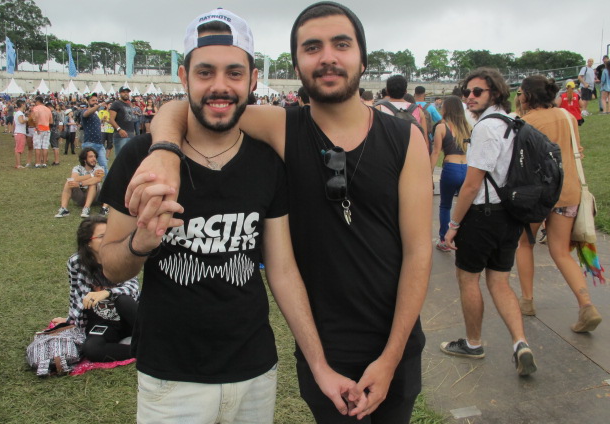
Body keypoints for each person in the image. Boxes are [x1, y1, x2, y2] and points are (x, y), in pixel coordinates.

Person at [124, 2, 432, 422]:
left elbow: (419, 253)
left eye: (341, 44)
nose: (327, 57)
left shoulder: (405, 138)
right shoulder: (282, 126)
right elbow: (189, 107)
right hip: (324, 345)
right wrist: (164, 150)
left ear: (362, 55)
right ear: (297, 63)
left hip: (394, 341)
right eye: (311, 47)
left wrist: (392, 357)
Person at [99, 8, 358, 423]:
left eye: (234, 73)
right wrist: (140, 244)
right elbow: (109, 268)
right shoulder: (140, 158)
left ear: (253, 80)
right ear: (183, 78)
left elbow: (283, 271)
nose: (220, 87)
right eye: (205, 73)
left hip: (255, 370)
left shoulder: (269, 162)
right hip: (170, 377)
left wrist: (320, 364)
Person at [442, 68, 537, 377]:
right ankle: (520, 343)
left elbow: (472, 184)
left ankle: (473, 343)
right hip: (510, 215)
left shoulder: (486, 128)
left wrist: (453, 224)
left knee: (468, 278)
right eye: (466, 91)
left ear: (494, 93)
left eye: (477, 92)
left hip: (483, 216)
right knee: (499, 281)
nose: (469, 96)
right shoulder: (514, 122)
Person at [514, 75, 602, 332]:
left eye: (520, 93)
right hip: (569, 191)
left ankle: (527, 300)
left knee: (524, 243)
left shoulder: (524, 122)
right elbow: (577, 151)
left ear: (528, 96)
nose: (518, 97)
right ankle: (586, 304)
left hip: (537, 194)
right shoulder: (567, 116)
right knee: (561, 252)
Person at [51, 216, 139, 362]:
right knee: (91, 349)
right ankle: (141, 351)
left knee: (122, 300)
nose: (109, 239)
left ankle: (150, 339)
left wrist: (107, 293)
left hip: (130, 317)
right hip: (103, 321)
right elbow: (77, 295)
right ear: (88, 242)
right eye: (102, 236)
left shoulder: (121, 256)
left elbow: (133, 287)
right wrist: (70, 321)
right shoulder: (76, 262)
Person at [429, 95, 471, 252]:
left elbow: (435, 153)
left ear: (446, 109)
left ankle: (443, 240)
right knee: (464, 206)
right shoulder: (467, 127)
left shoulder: (442, 127)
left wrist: (429, 174)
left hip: (451, 168)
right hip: (466, 167)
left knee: (445, 206)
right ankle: (463, 237)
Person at [54, 147, 105, 218]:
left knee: (92, 184)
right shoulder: (77, 168)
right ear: (84, 159)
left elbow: (97, 179)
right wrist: (92, 175)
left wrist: (80, 183)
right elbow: (74, 178)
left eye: (94, 156)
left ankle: (86, 208)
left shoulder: (99, 168)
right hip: (80, 196)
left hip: (94, 197)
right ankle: (64, 209)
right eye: (91, 157)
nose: (94, 159)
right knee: (69, 182)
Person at [80, 93, 108, 173]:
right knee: (89, 167)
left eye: (96, 100)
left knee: (104, 166)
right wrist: (98, 105)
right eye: (93, 100)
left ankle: (107, 185)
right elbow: (86, 114)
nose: (95, 102)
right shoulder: (85, 111)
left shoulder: (96, 114)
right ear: (88, 102)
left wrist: (101, 120)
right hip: (89, 143)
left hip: (99, 144)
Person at [108, 87, 135, 155]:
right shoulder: (116, 104)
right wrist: (119, 129)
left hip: (130, 134)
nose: (126, 94)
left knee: (130, 158)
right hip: (121, 136)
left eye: (127, 92)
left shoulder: (128, 105)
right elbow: (111, 119)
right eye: (124, 92)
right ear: (120, 93)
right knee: (121, 158)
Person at [31, 96, 53, 168]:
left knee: (38, 146)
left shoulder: (36, 108)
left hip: (39, 128)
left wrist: (36, 126)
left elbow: (35, 118)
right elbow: (51, 121)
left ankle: (37, 163)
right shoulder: (48, 109)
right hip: (47, 128)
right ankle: (44, 163)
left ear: (37, 101)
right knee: (45, 146)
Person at [13, 100, 27, 169]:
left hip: (18, 132)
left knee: (18, 148)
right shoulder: (19, 113)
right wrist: (27, 119)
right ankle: (18, 164)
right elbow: (21, 121)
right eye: (24, 104)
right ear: (22, 104)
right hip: (20, 132)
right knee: (18, 149)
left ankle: (18, 163)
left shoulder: (17, 113)